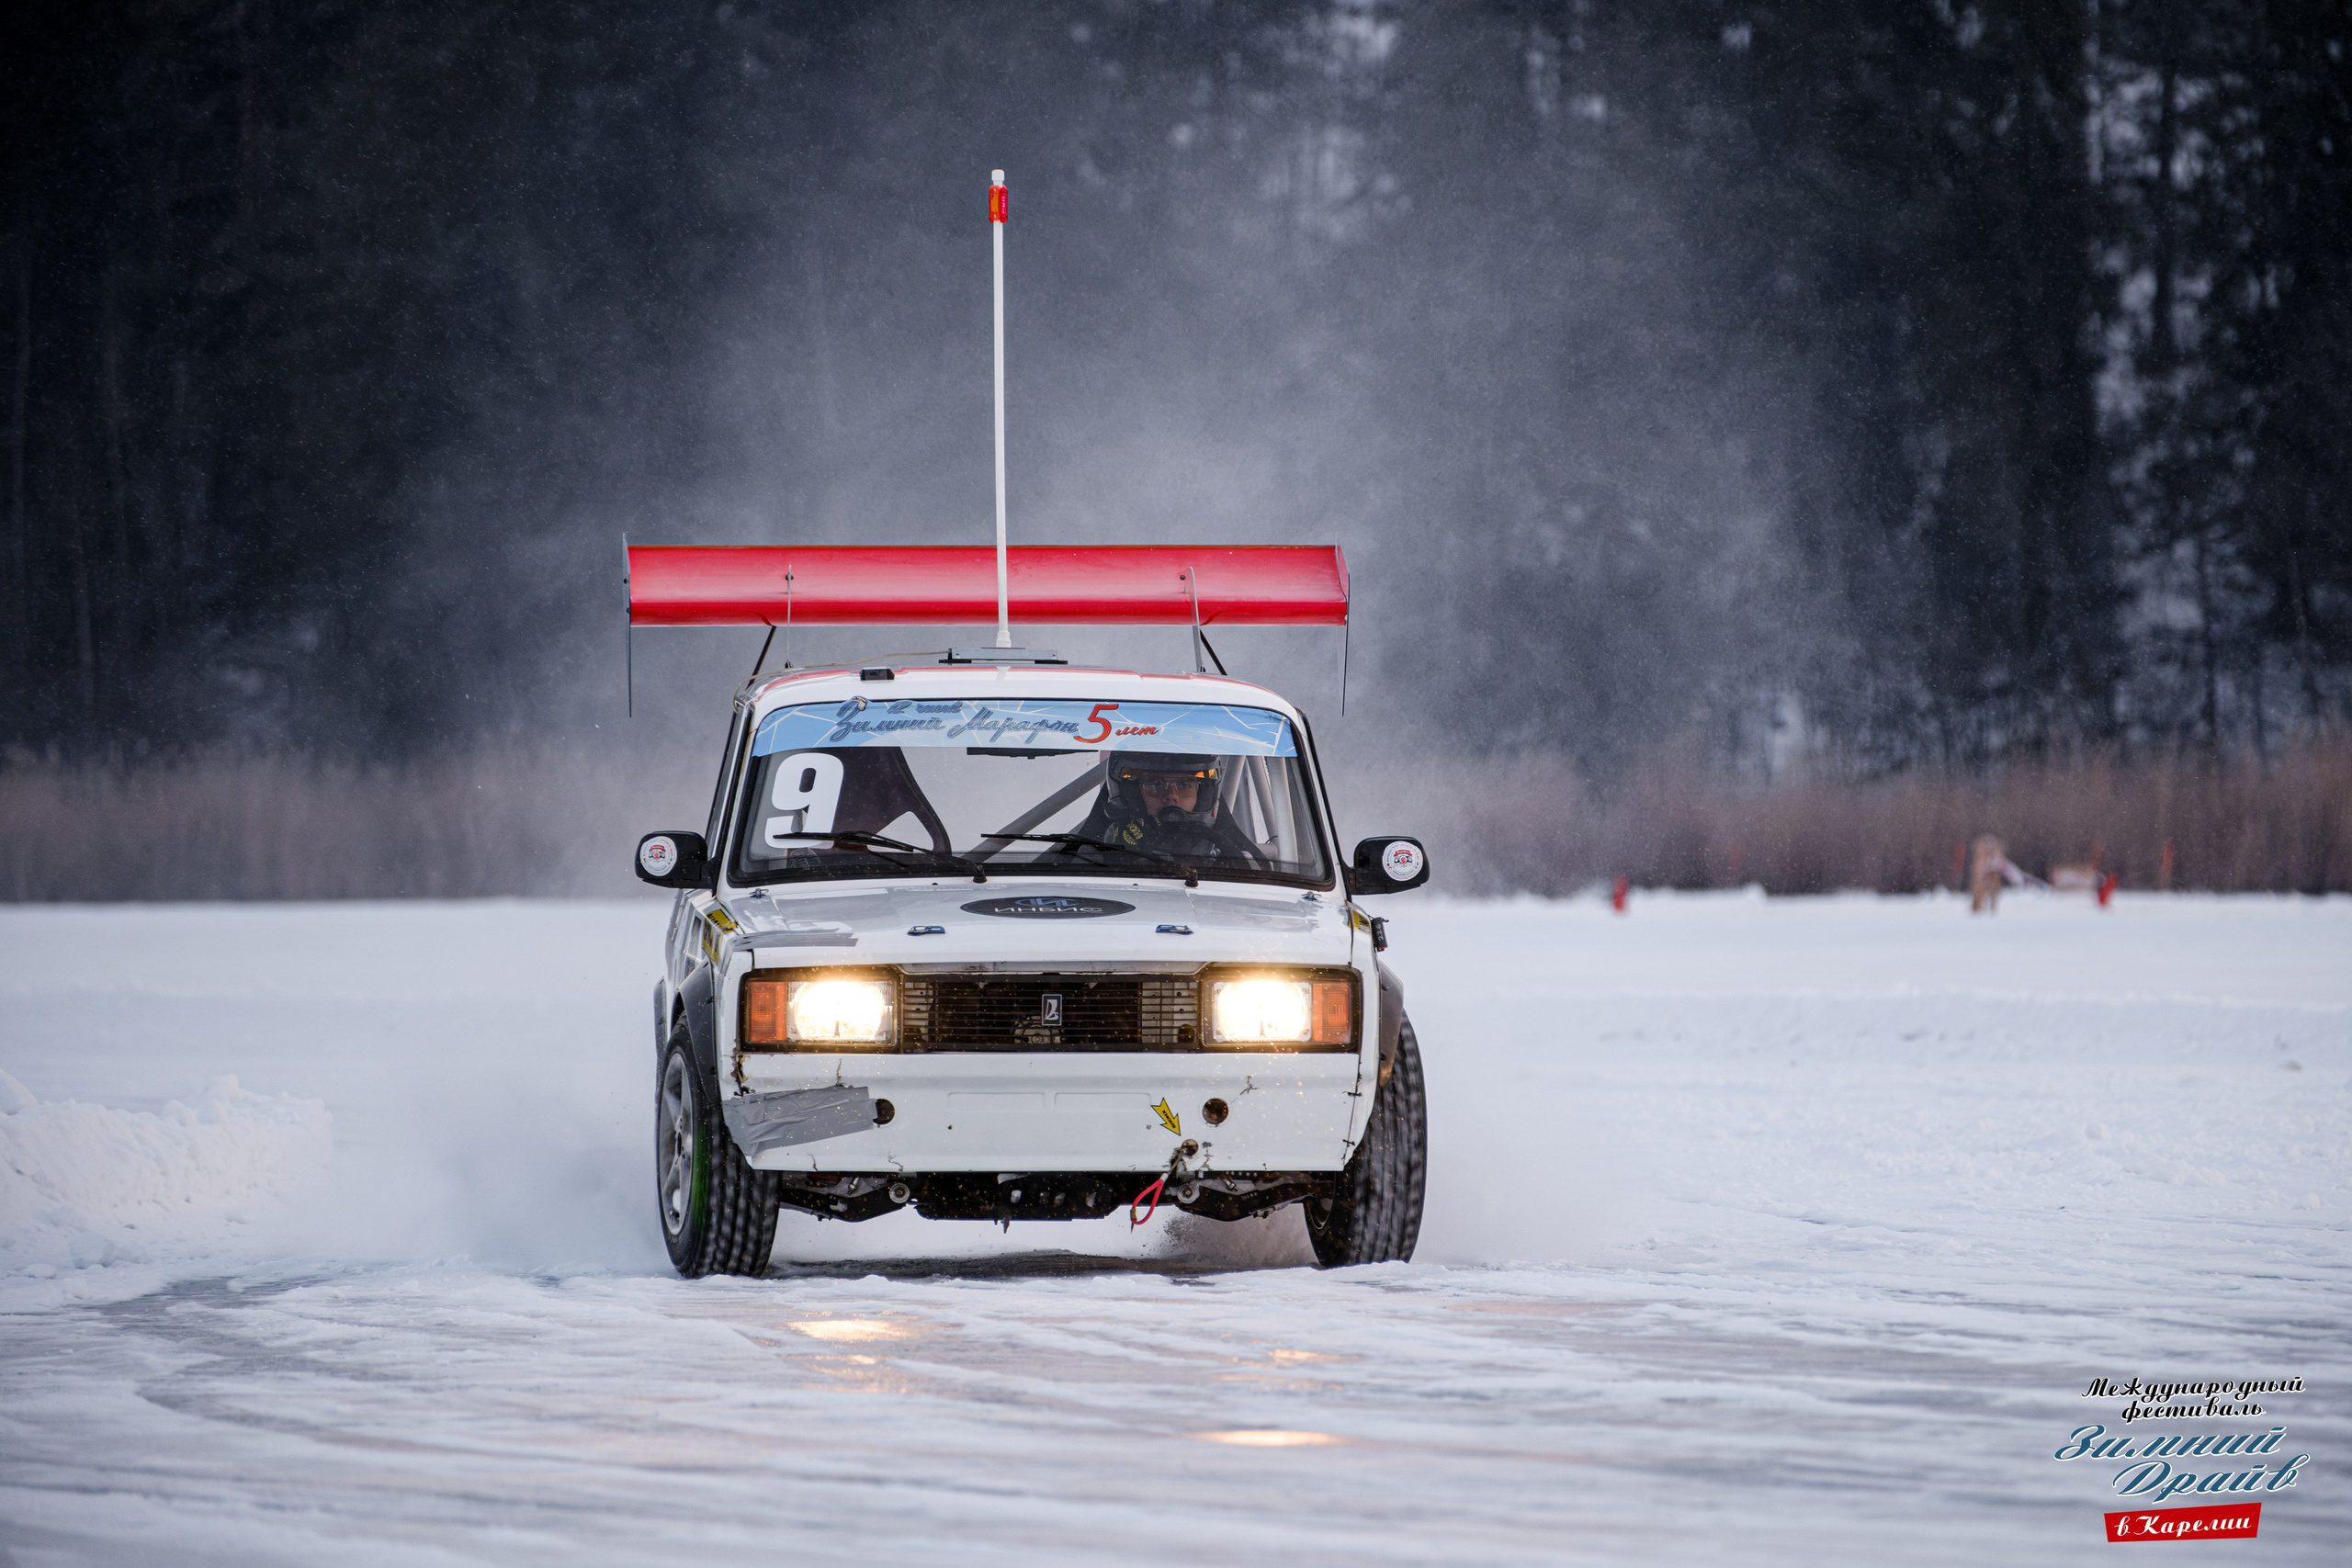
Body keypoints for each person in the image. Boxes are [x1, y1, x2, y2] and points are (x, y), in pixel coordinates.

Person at [1069, 751, 1265, 864]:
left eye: (1185, 785)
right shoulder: (1092, 861)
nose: (1171, 795)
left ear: (1203, 794)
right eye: (1155, 785)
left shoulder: (1230, 859)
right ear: (1132, 795)